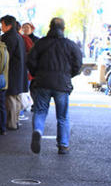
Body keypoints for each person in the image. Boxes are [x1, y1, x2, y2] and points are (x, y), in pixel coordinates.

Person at [26, 17, 82, 154]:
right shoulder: (70, 45)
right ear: (63, 28)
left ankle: (38, 131)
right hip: (62, 85)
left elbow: (30, 61)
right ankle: (63, 145)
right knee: (62, 116)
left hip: (42, 82)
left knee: (40, 111)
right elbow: (78, 65)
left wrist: (37, 74)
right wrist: (68, 75)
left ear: (50, 27)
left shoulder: (40, 43)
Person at [0, 15, 28, 130]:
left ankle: (11, 123)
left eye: (2, 24)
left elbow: (6, 56)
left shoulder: (8, 38)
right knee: (17, 98)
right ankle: (15, 121)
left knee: (10, 98)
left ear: (8, 25)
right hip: (20, 72)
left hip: (11, 72)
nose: (1, 27)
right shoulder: (19, 36)